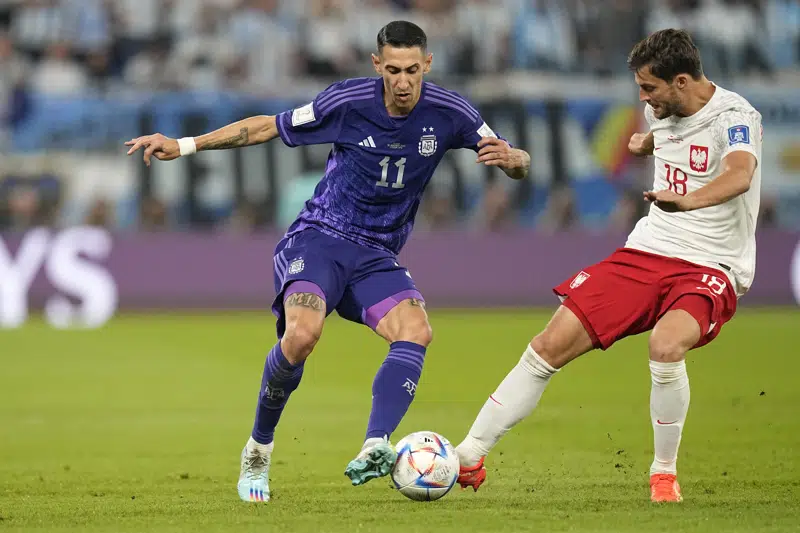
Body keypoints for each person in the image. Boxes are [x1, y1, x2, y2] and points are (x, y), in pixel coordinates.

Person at [125, 20, 530, 503]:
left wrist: (516, 161)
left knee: (416, 330)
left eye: (412, 71)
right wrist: (185, 145)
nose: (403, 82)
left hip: (377, 255)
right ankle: (258, 450)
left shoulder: (452, 112)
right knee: (301, 336)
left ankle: (376, 444)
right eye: (393, 70)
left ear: (428, 64)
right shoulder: (347, 102)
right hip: (319, 240)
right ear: (377, 65)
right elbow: (266, 127)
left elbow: (515, 158)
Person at [454, 28, 762, 503]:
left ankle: (663, 474)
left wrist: (687, 201)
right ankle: (469, 453)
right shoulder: (660, 111)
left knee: (665, 345)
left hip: (711, 263)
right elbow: (670, 137)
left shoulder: (736, 117)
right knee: (547, 345)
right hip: (647, 251)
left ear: (681, 82)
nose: (642, 98)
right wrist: (646, 144)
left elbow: (739, 174)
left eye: (649, 88)